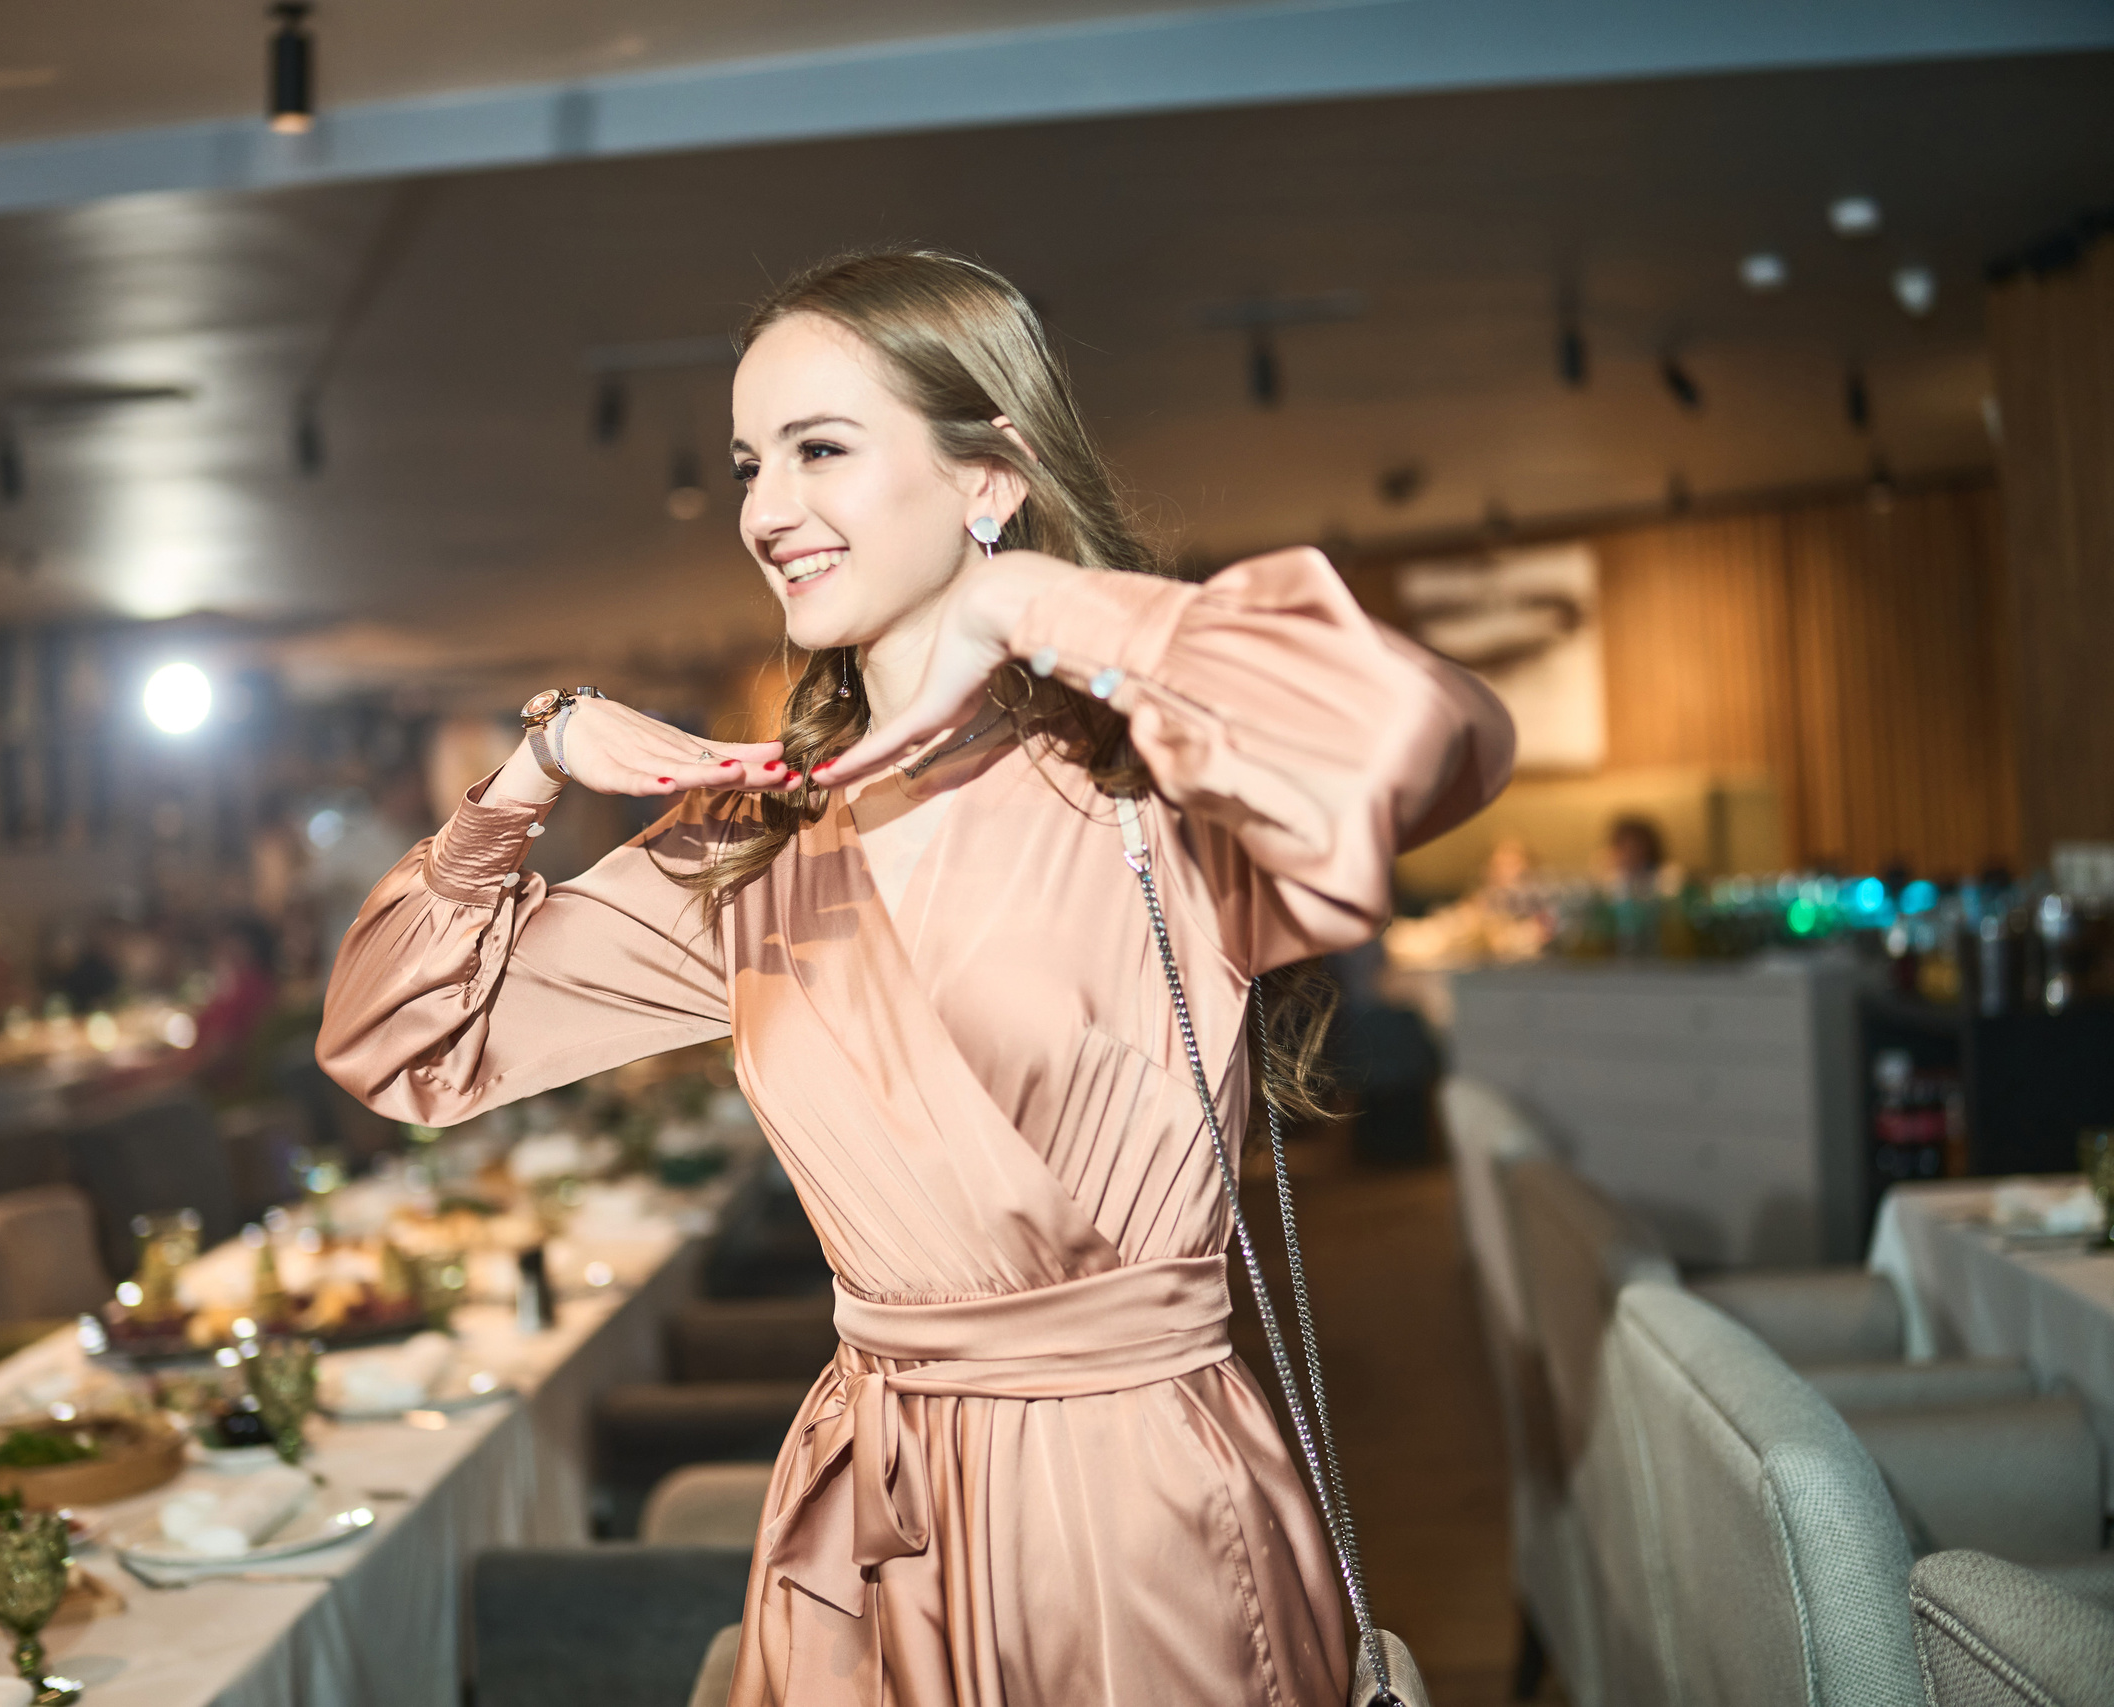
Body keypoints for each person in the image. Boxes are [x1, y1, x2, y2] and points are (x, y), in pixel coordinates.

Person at [319, 252, 1512, 1706]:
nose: (765, 509)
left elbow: (1428, 733)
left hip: (1130, 1505)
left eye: (822, 449)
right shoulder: (756, 841)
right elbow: (405, 1041)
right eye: (753, 462)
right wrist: (533, 767)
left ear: (985, 479)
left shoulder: (1145, 784)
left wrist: (1045, 611)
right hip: (870, 1514)